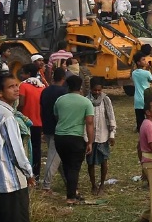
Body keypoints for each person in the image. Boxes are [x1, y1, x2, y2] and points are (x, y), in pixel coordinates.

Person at [0, 73, 35, 222]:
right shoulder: (6, 116)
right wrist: (28, 172)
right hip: (11, 182)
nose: (16, 89)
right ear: (0, 92)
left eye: (16, 86)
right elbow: (16, 150)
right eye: (11, 87)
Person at [53, 74, 94, 205]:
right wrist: (90, 142)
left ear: (67, 86)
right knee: (74, 167)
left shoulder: (60, 100)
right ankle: (71, 197)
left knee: (66, 164)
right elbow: (89, 123)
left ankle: (72, 191)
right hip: (75, 138)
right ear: (80, 86)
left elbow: (56, 116)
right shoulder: (86, 102)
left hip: (59, 137)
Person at [86, 77, 116, 195]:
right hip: (90, 137)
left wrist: (112, 134)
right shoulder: (86, 101)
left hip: (103, 135)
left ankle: (102, 185)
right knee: (90, 163)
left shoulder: (106, 100)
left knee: (104, 161)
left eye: (99, 90)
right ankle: (93, 185)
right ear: (90, 89)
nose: (97, 92)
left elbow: (111, 117)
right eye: (95, 90)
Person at [40, 68, 68, 192]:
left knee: (59, 157)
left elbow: (42, 108)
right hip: (58, 128)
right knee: (53, 157)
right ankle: (46, 185)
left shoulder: (45, 91)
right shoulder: (64, 92)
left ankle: (68, 181)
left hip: (47, 125)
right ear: (64, 78)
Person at [18, 63, 45, 179]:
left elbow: (21, 103)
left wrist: (17, 113)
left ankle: (25, 173)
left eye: (23, 73)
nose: (22, 75)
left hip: (25, 122)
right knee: (36, 148)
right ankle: (36, 174)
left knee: (23, 147)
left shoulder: (23, 86)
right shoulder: (42, 86)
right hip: (38, 122)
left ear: (28, 74)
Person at [132, 52, 152, 132]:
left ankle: (139, 128)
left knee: (139, 117)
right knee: (149, 115)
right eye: (143, 60)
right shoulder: (147, 73)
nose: (145, 61)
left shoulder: (134, 73)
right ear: (138, 62)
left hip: (137, 98)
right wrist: (151, 69)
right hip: (146, 97)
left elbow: (141, 76)